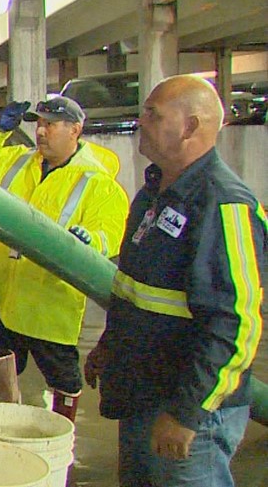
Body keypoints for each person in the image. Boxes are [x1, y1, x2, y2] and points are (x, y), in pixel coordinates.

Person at [84, 75, 264, 487]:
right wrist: (111, 345)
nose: (140, 121)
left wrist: (187, 414)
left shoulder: (224, 203)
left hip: (185, 409)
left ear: (190, 127)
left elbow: (237, 324)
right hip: (142, 393)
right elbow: (137, 288)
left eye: (153, 113)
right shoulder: (153, 193)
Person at [0, 95, 129, 421]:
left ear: (75, 130)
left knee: (64, 380)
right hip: (0, 297)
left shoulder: (97, 183)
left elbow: (109, 231)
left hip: (49, 306)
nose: (41, 132)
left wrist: (91, 242)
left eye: (50, 125)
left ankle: (61, 440)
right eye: (38, 124)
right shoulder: (15, 161)